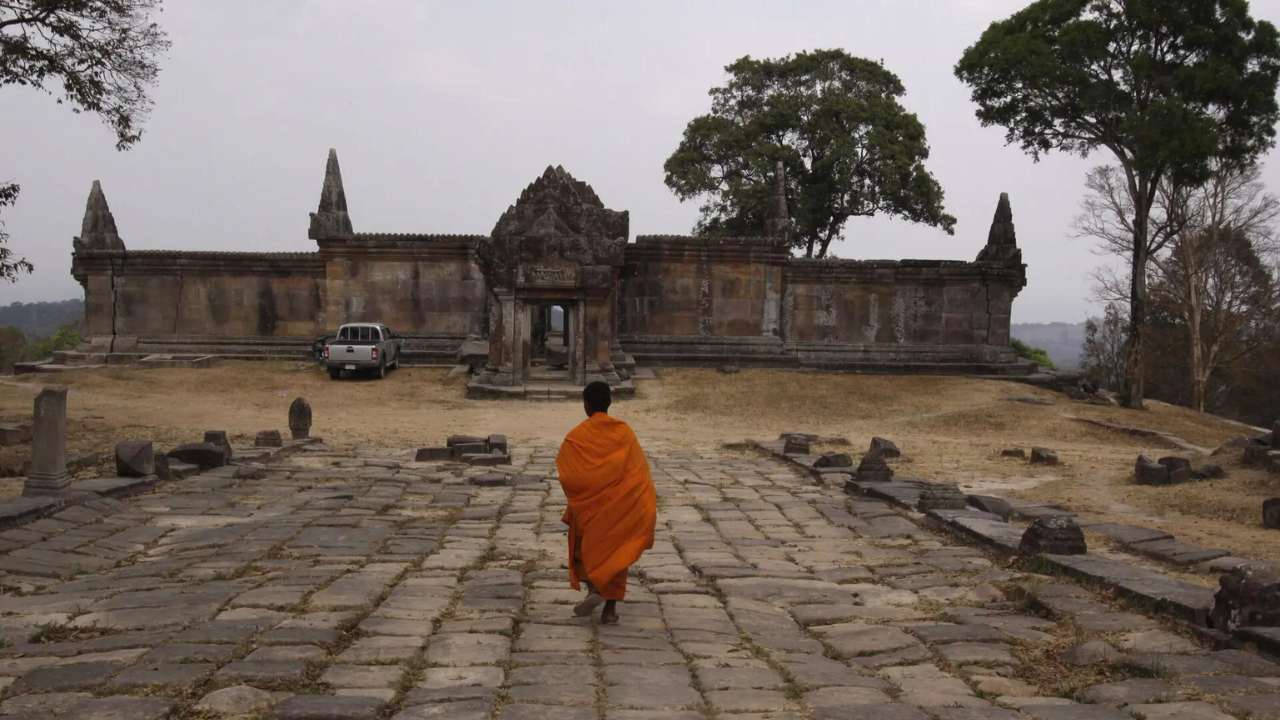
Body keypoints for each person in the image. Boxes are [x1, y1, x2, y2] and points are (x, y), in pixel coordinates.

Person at [555, 380, 656, 624]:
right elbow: (638, 472)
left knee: (584, 548)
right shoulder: (624, 432)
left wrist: (583, 497)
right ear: (609, 403)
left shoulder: (577, 437)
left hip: (590, 508)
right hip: (620, 505)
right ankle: (609, 610)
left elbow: (568, 476)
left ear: (586, 405)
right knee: (616, 551)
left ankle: (594, 587)